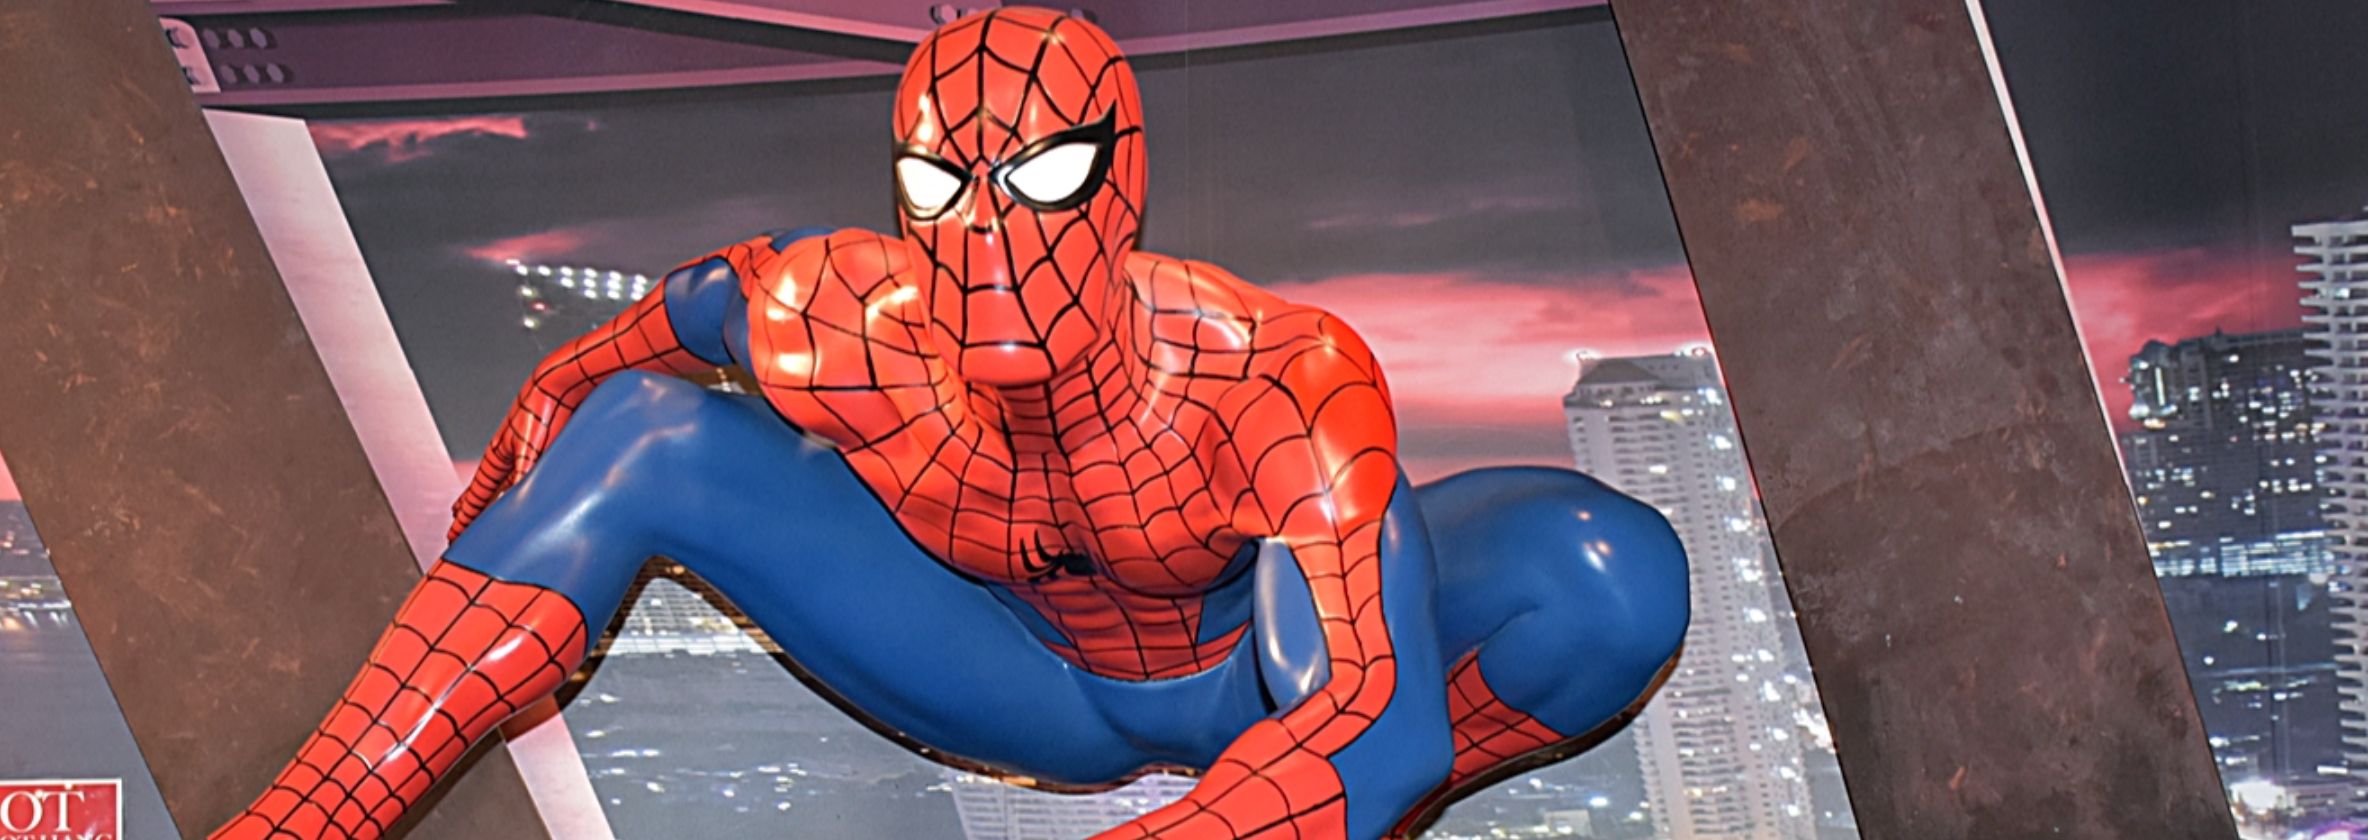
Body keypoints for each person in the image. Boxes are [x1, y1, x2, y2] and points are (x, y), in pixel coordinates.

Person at [215, 9, 1688, 840]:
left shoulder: (1267, 374)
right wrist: (545, 407)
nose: (985, 230)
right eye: (943, 183)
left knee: (1609, 575)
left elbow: (1371, 721)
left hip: (1255, 671)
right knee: (645, 436)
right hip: (1016, 674)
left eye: (1039, 178)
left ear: (1120, 182)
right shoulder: (838, 314)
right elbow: (671, 323)